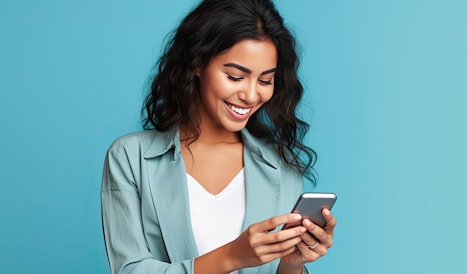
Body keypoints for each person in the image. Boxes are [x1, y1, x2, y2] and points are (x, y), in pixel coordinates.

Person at [100, 0, 336, 273]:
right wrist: (231, 257)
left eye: (265, 80)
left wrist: (291, 266)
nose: (250, 95)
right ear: (197, 64)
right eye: (236, 76)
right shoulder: (131, 158)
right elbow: (129, 269)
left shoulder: (281, 166)